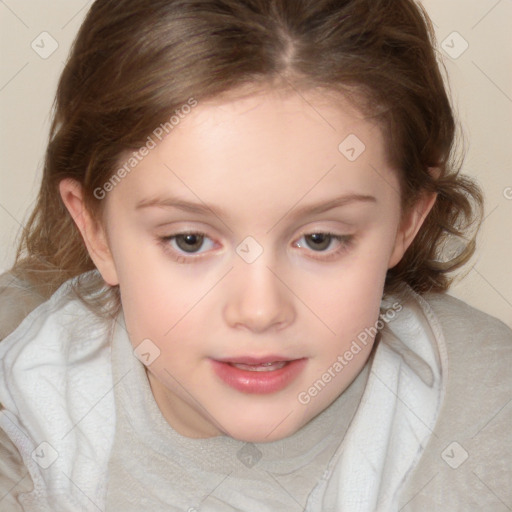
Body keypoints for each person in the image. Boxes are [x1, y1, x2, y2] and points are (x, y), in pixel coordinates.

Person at [0, 0, 510, 510]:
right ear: (95, 229)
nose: (260, 310)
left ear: (407, 219)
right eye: (190, 241)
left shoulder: (486, 420)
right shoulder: (26, 404)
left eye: (319, 239)